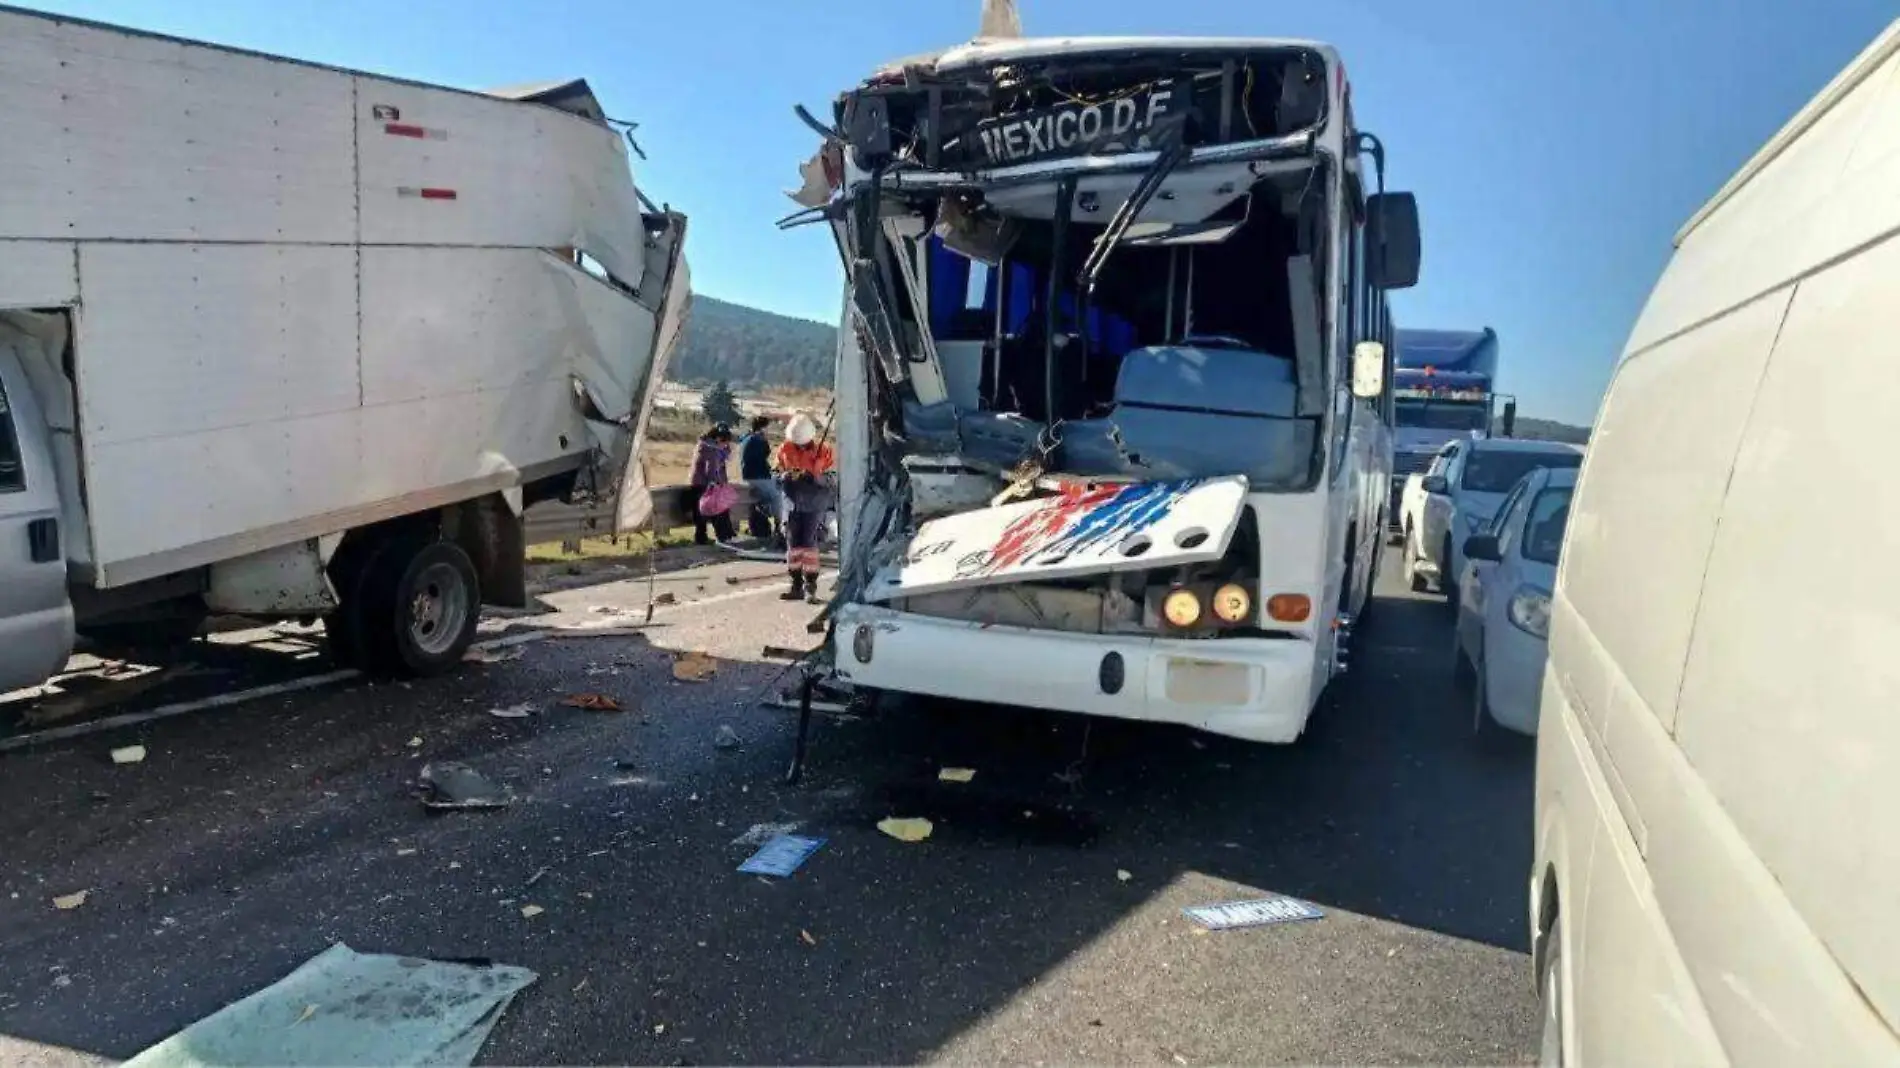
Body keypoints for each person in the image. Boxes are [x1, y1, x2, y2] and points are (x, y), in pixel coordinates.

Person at [774, 411, 835, 603]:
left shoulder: (824, 451)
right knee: (792, 545)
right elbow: (775, 473)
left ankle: (811, 588)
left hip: (814, 503)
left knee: (809, 545)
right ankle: (796, 585)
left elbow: (833, 479)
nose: (799, 445)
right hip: (792, 503)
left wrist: (817, 477)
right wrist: (782, 477)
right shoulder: (785, 449)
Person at [738, 415, 784, 543]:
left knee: (776, 486)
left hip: (749, 475)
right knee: (777, 497)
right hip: (758, 477)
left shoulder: (746, 438)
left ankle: (766, 512)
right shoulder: (758, 440)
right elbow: (764, 456)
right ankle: (779, 527)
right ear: (763, 428)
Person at [689, 423, 736, 545]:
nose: (726, 445)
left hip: (696, 483)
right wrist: (716, 483)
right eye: (725, 443)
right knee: (719, 509)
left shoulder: (703, 444)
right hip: (706, 485)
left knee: (700, 514)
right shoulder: (711, 449)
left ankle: (702, 538)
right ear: (719, 439)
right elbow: (711, 469)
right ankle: (725, 536)